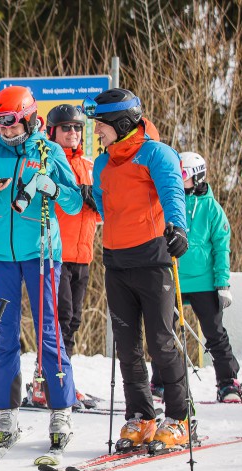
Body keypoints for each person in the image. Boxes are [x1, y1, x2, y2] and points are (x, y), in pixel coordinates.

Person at [0, 86, 82, 453]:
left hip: (41, 254)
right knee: (4, 336)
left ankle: (61, 409)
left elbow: (76, 201)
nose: (4, 131)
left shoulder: (49, 152)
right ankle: (4, 412)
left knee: (49, 332)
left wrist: (51, 188)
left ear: (29, 118)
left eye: (10, 124)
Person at [84, 87, 191, 448]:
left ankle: (178, 417)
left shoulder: (156, 154)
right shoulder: (101, 164)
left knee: (161, 343)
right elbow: (101, 206)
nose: (96, 131)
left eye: (101, 124)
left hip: (153, 260)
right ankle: (141, 415)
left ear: (121, 122)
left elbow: (173, 192)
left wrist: (178, 227)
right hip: (115, 261)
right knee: (126, 347)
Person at [151, 151, 240, 403]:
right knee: (163, 332)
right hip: (173, 278)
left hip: (203, 282)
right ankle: (160, 382)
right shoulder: (168, 203)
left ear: (197, 177)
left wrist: (222, 283)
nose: (178, 180)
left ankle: (227, 382)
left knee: (214, 332)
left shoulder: (212, 209)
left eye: (183, 175)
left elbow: (222, 247)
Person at [46, 105, 100, 360]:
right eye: (66, 127)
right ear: (52, 131)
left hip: (83, 255)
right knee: (61, 317)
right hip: (56, 253)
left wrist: (95, 201)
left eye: (77, 127)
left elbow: (103, 214)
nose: (73, 132)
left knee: (74, 319)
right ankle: (51, 377)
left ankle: (62, 376)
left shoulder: (91, 166)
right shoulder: (48, 162)